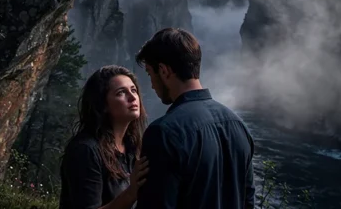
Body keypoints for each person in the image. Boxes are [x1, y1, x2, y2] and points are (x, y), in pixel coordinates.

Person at [134, 28, 256, 209]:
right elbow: (248, 201)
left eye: (150, 74)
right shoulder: (239, 126)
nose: (151, 84)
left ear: (164, 70)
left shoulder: (163, 133)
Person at [59, 65, 150, 209]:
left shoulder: (132, 147)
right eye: (121, 92)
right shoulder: (85, 150)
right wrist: (131, 193)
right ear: (103, 104)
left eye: (133, 90)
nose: (133, 97)